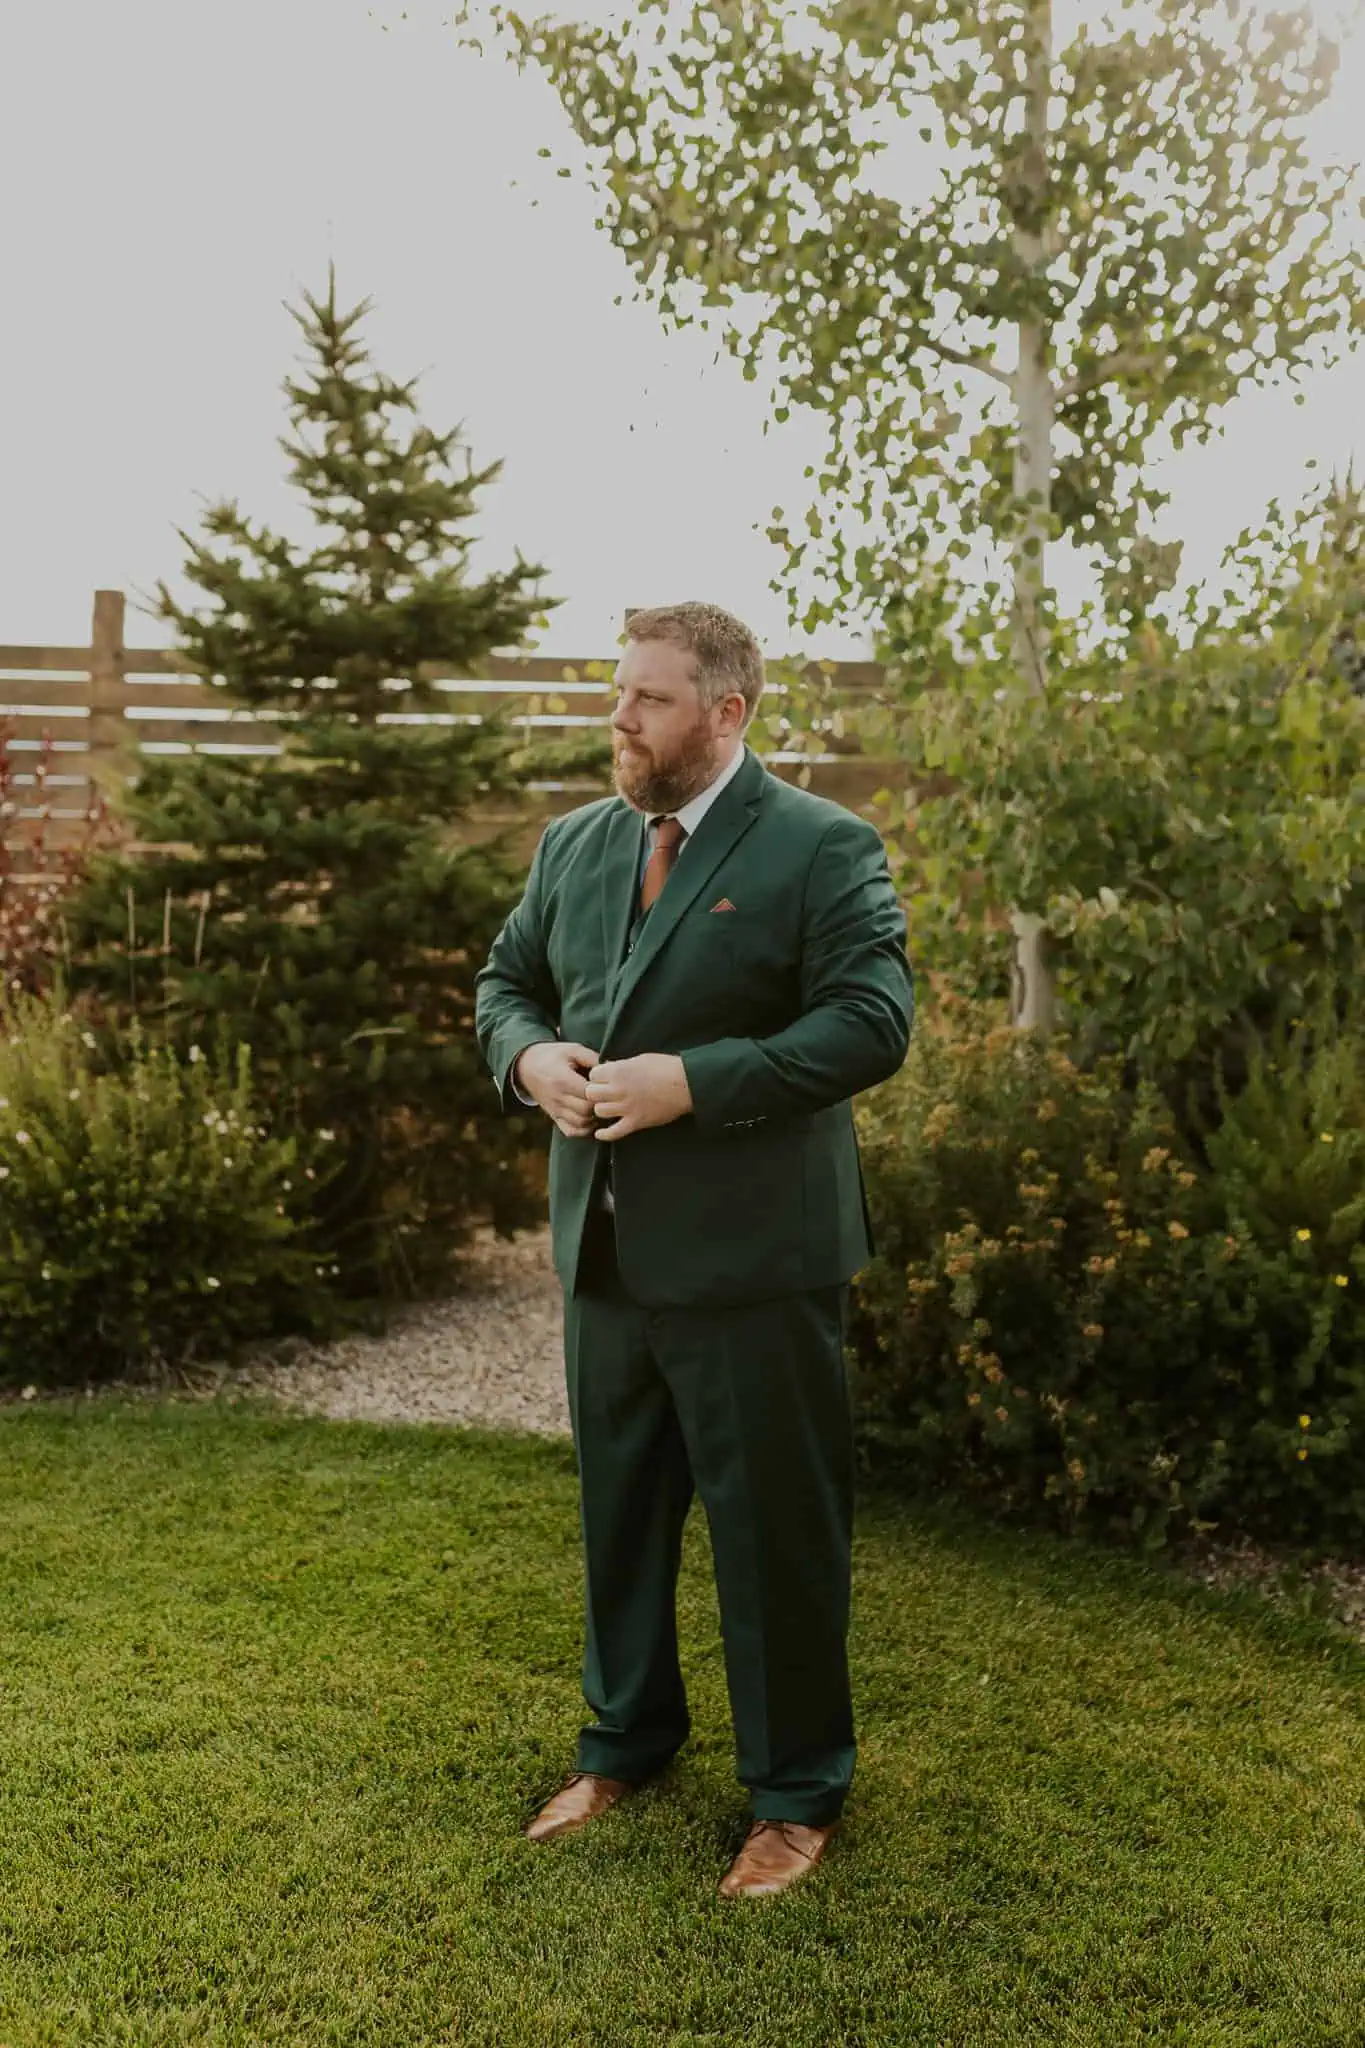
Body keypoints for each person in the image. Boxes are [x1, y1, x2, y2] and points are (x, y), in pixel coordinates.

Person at [473, 601, 914, 1899]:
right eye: (620, 693)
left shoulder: (825, 849)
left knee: (776, 1536)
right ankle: (625, 1744)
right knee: (621, 1518)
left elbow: (873, 1024)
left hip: (757, 1271)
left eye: (650, 699)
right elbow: (506, 982)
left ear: (729, 713)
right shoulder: (573, 846)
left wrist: (696, 1083)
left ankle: (794, 1796)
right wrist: (527, 1057)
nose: (620, 718)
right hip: (605, 1260)